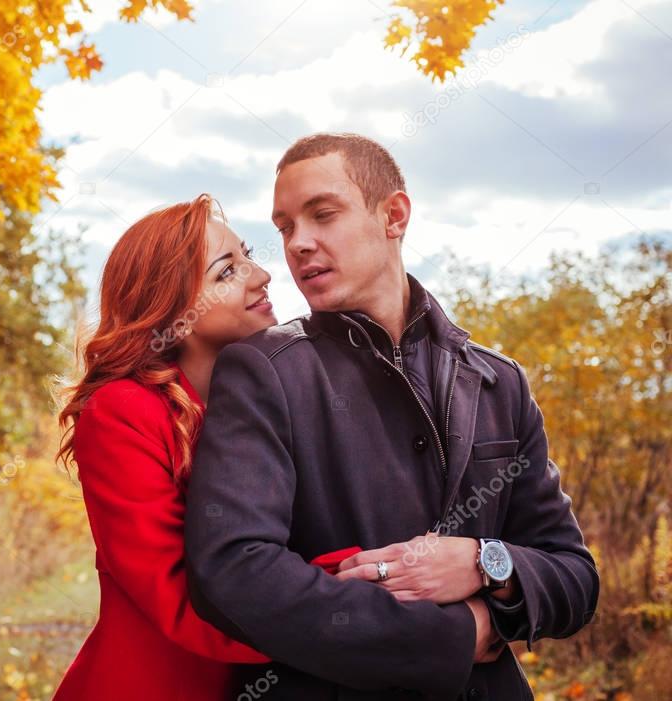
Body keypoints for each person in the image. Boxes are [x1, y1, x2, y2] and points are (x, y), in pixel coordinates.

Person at [184, 133, 600, 700]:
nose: (298, 244)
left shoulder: (500, 381)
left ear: (394, 215)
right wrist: (450, 637)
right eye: (284, 228)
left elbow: (575, 579)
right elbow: (233, 572)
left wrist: (484, 562)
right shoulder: (262, 370)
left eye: (323, 214)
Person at [53, 194, 361, 700]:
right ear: (171, 310)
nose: (260, 275)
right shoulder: (121, 412)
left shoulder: (280, 398)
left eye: (247, 256)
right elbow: (180, 599)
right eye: (226, 271)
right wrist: (363, 590)